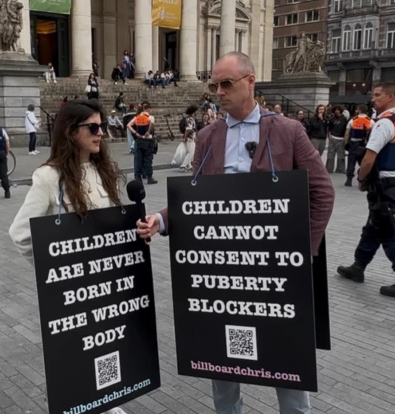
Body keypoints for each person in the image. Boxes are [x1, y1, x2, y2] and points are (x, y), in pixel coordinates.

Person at [136, 52, 334, 414]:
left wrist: (304, 252)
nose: (219, 92)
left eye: (226, 83)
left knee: (287, 357)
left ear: (250, 81)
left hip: (275, 269)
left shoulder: (287, 130)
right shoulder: (208, 135)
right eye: (214, 85)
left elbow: (322, 192)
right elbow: (195, 200)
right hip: (222, 270)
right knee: (222, 356)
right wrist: (160, 220)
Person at [8, 100, 127, 414]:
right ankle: (64, 401)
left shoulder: (103, 170)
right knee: (73, 351)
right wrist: (55, 273)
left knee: (106, 345)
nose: (101, 133)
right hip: (73, 290)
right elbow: (20, 233)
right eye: (93, 127)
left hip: (106, 283)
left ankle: (106, 400)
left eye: (102, 126)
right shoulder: (49, 177)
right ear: (72, 131)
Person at [337, 83, 395, 298]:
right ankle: (358, 266)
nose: (373, 99)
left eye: (377, 95)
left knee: (389, 234)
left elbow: (369, 157)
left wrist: (361, 178)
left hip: (384, 186)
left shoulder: (384, 123)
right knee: (374, 226)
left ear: (390, 97)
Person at [127, 101, 157, 184]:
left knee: (138, 160)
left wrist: (135, 133)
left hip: (139, 140)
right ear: (149, 109)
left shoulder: (137, 117)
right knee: (148, 160)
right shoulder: (150, 117)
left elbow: (128, 125)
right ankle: (149, 177)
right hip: (148, 140)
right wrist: (148, 132)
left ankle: (138, 178)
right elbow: (152, 123)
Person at [343, 104, 373, 187]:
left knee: (351, 162)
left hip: (353, 144)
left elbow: (347, 133)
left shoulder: (353, 120)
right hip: (365, 145)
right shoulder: (371, 121)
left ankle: (349, 180)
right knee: (364, 163)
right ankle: (364, 179)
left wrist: (346, 143)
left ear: (359, 110)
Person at [326, 106, 348, 174]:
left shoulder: (344, 119)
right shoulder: (332, 119)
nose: (337, 111)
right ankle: (329, 169)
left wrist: (345, 138)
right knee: (330, 154)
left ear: (340, 111)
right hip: (333, 137)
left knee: (341, 155)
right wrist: (329, 135)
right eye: (335, 110)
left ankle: (340, 169)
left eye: (338, 110)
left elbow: (346, 129)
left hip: (341, 138)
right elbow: (329, 128)